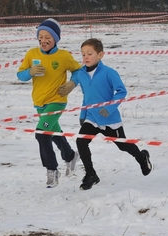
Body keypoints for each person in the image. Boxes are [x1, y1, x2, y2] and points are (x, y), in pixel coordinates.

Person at [76, 38, 152, 191]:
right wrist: (83, 114)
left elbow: (121, 92)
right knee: (81, 141)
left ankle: (141, 157)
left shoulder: (109, 73)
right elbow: (86, 96)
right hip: (91, 118)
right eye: (83, 54)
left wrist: (109, 108)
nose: (86, 57)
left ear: (100, 55)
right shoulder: (81, 75)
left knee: (123, 146)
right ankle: (91, 174)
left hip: (109, 118)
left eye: (89, 53)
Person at [17, 18, 81, 188]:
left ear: (55, 39)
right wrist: (30, 71)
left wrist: (71, 84)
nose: (43, 41)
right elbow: (20, 75)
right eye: (41, 37)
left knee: (41, 134)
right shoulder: (32, 54)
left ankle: (52, 170)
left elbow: (79, 71)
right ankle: (70, 156)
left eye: (48, 38)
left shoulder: (64, 56)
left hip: (57, 102)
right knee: (53, 133)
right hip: (39, 103)